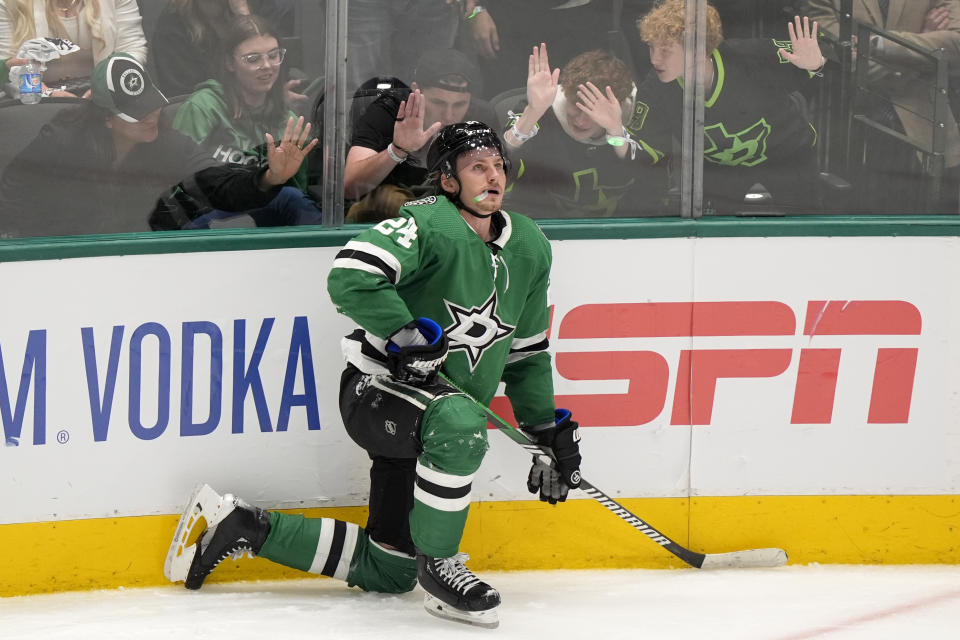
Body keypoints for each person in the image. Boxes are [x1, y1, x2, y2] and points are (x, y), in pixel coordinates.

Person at [163, 121, 583, 630]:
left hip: (437, 419)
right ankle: (443, 568)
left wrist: (543, 430)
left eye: (497, 166)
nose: (492, 176)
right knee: (461, 425)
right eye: (477, 167)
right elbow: (351, 273)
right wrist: (405, 333)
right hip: (378, 393)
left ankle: (244, 526)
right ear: (448, 181)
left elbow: (526, 352)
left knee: (390, 570)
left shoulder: (530, 246)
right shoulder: (425, 223)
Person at [0, 53, 317, 237]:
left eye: (151, 104)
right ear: (106, 118)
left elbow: (217, 181)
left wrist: (267, 177)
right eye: (136, 112)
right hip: (65, 260)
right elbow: (11, 200)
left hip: (140, 258)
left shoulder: (167, 143)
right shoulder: (62, 141)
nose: (152, 115)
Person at [631, 0, 828, 214]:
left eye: (666, 51)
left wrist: (815, 65)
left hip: (787, 156)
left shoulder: (750, 59)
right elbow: (645, 151)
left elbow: (820, 63)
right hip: (721, 170)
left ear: (699, 50)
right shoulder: (654, 90)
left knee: (804, 225)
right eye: (651, 47)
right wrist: (614, 132)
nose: (654, 59)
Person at [803, 0, 960, 213]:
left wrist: (882, 45)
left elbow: (956, 45)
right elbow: (838, 58)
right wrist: (921, 54)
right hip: (849, 134)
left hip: (926, 134)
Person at [171, 14, 321, 227]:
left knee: (293, 199)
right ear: (229, 63)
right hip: (203, 215)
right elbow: (175, 182)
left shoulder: (288, 121)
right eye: (253, 59)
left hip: (262, 220)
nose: (267, 66)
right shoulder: (203, 107)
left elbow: (297, 197)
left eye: (273, 55)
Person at [502, 44, 664, 218]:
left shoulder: (640, 116)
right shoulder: (541, 107)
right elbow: (497, 166)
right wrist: (532, 113)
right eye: (575, 106)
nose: (580, 120)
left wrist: (616, 133)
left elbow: (656, 187)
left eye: (591, 113)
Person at [343, 47, 495, 222]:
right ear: (416, 91)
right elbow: (350, 187)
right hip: (387, 217)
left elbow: (494, 185)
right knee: (387, 199)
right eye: (438, 102)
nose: (448, 115)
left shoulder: (480, 117)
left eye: (460, 105)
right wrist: (397, 150)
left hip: (451, 213)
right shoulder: (389, 111)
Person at [150, 0, 298, 99]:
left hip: (263, 113)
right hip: (208, 121)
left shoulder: (258, 5)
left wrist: (244, 15)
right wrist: (267, 100)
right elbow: (185, 96)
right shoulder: (173, 24)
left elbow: (279, 65)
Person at [0, 0, 147, 98]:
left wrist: (109, 85)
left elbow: (132, 48)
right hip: (37, 104)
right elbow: (8, 65)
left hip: (106, 95)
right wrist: (45, 94)